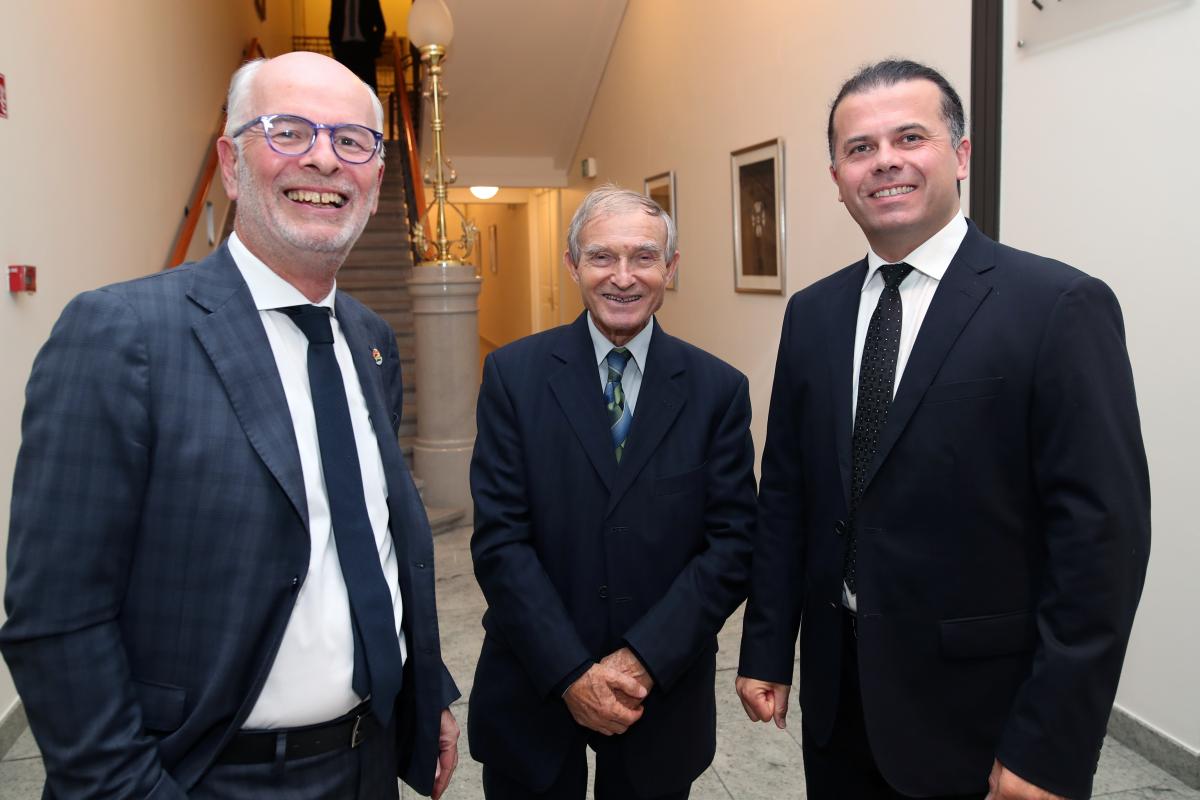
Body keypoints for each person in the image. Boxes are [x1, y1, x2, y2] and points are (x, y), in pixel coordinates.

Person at [1, 52, 459, 799]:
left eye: (351, 141)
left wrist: (422, 687)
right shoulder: (122, 335)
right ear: (230, 164)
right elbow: (57, 618)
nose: (324, 158)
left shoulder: (370, 339)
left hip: (367, 762)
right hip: (208, 775)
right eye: (288, 131)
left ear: (376, 181)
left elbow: (370, 540)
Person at [736, 59, 1150, 800]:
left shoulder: (1057, 306)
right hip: (841, 698)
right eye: (860, 148)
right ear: (836, 178)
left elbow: (1101, 545)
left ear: (959, 155)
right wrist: (768, 647)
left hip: (982, 714)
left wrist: (1049, 746)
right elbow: (789, 495)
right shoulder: (813, 314)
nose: (884, 161)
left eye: (910, 137)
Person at [468, 186, 757, 799]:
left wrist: (642, 659)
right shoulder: (513, 377)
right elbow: (500, 540)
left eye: (644, 257)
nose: (623, 277)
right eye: (602, 257)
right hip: (533, 685)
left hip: (660, 693)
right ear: (572, 265)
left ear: (670, 268)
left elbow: (732, 547)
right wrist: (571, 673)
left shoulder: (717, 390)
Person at [329, 0, 387, 91]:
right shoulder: (337, 1)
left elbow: (381, 27)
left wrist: (372, 48)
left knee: (370, 90)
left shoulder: (371, 1)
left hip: (364, 50)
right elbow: (333, 25)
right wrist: (336, 49)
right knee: (342, 89)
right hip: (344, 50)